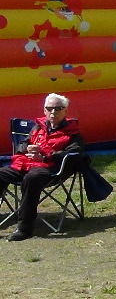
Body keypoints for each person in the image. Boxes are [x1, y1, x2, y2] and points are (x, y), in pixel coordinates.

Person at [0, 93, 83, 241]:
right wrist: (28, 148)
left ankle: (24, 228)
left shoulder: (73, 132)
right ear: (44, 110)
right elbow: (22, 144)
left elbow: (73, 153)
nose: (53, 112)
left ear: (66, 111)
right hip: (25, 163)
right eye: (49, 108)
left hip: (51, 168)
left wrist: (46, 157)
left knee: (32, 178)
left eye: (58, 108)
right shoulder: (38, 126)